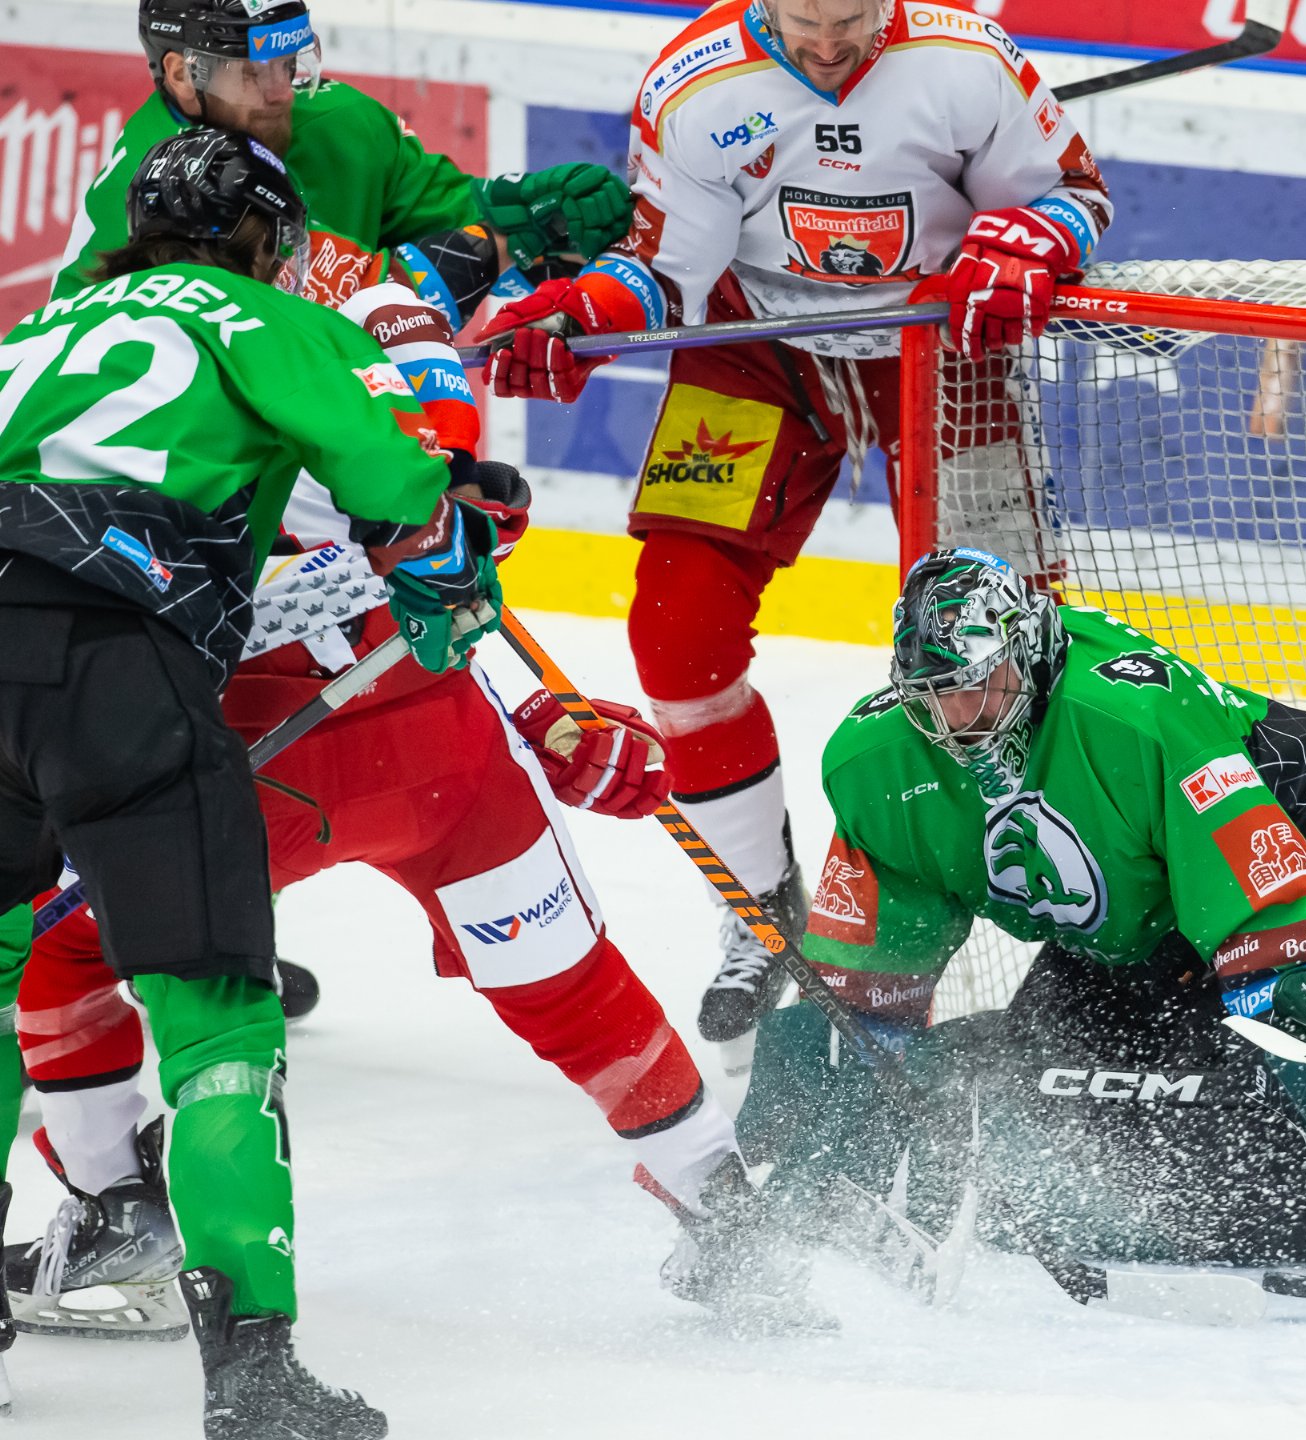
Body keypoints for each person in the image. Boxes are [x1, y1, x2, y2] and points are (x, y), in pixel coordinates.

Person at [4, 0, 811, 1343]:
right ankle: (722, 1204)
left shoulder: (82, 314)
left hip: (239, 734)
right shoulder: (359, 300)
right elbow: (443, 514)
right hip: (430, 733)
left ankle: (117, 1202)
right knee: (562, 972)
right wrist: (535, 699)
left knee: (54, 956)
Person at [735, 548, 1306, 1281]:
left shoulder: (1133, 717)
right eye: (934, 697)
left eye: (980, 686)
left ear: (1030, 653)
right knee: (1046, 1098)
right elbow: (869, 989)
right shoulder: (878, 765)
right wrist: (828, 1103)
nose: (961, 720)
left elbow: (1262, 901)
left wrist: (1302, 1036)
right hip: (1133, 929)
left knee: (1258, 1084)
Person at [477, 0, 1114, 1063]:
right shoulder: (696, 82)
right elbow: (662, 270)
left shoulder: (966, 59)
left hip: (940, 351)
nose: (826, 44)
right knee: (677, 633)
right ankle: (759, 905)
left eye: (850, 17)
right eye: (805, 18)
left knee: (1007, 647)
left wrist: (1034, 236)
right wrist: (584, 312)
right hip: (755, 352)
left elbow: (1078, 197)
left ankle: (1078, 897)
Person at [0, 126, 502, 1439]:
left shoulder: (36, 330)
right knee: (219, 1022)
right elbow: (389, 476)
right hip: (119, 662)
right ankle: (255, 1376)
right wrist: (448, 553)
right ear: (269, 240)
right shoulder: (272, 319)